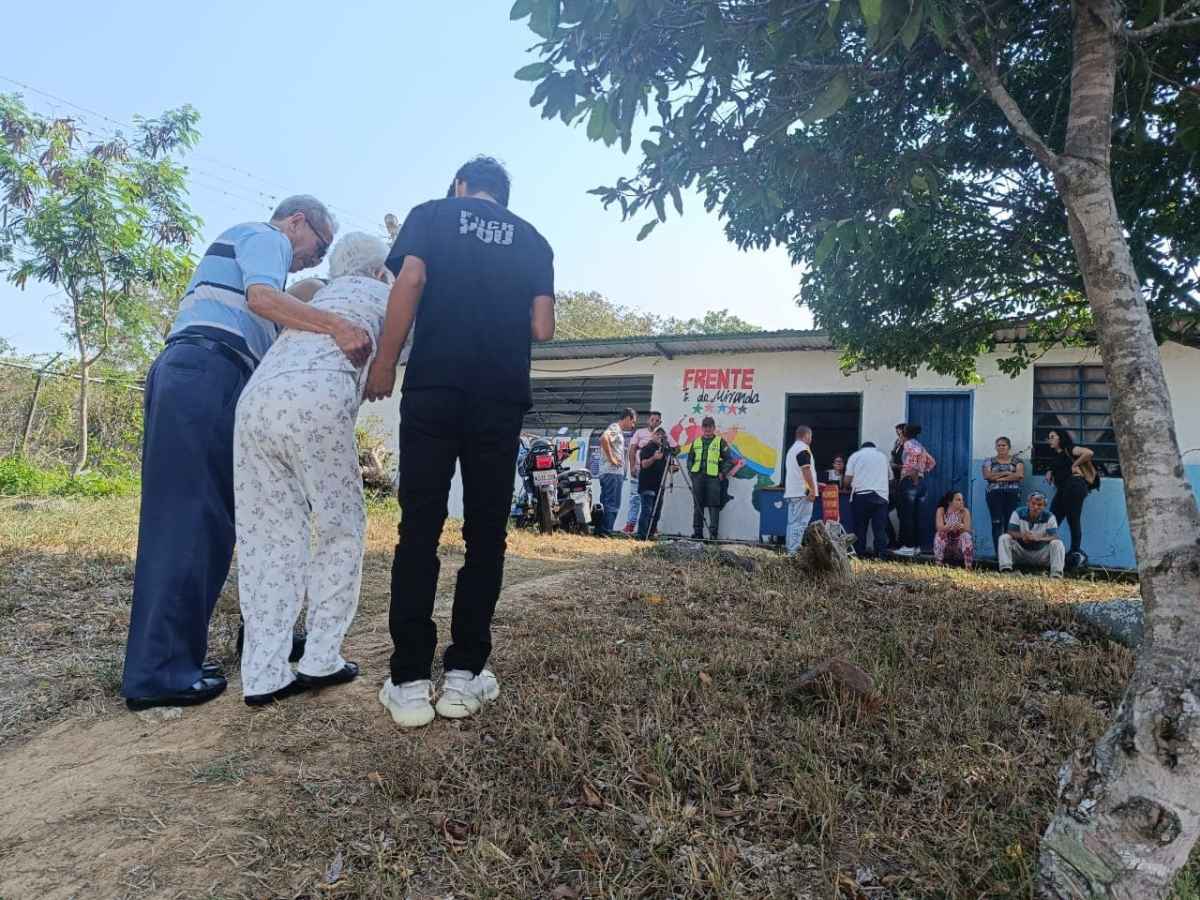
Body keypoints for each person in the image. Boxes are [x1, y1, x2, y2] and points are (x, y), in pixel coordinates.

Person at [120, 196, 373, 712]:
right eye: (316, 247)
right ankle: (160, 671)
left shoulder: (271, 265)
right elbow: (262, 298)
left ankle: (262, 641)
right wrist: (337, 325)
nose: (312, 259)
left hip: (218, 378)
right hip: (209, 372)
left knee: (255, 522)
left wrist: (322, 292)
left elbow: (281, 299)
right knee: (192, 520)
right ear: (298, 222)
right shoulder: (266, 238)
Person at [363, 157, 556, 728]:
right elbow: (542, 328)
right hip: (498, 398)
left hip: (433, 389)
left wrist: (386, 361)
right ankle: (467, 674)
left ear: (461, 187)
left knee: (418, 530)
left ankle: (409, 680)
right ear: (504, 195)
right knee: (486, 535)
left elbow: (412, 281)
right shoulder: (535, 240)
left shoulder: (431, 215)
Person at [233, 234, 393, 706]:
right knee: (340, 528)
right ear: (380, 271)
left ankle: (264, 674)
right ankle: (321, 657)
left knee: (269, 537)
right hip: (316, 402)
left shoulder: (317, 297)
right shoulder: (383, 293)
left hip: (256, 402)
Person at [689, 416, 744, 540]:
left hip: (713, 478)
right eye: (705, 426)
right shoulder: (696, 442)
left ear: (714, 428)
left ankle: (713, 535)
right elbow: (690, 459)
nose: (708, 429)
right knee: (698, 505)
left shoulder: (720, 441)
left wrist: (723, 473)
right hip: (698, 477)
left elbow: (728, 460)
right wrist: (691, 473)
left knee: (714, 506)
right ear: (702, 428)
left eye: (710, 426)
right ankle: (697, 533)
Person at [1046, 428, 1096, 561]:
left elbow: (1089, 453)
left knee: (1073, 518)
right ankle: (1046, 548)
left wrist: (1075, 465)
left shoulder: (1071, 449)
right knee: (1053, 518)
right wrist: (1050, 471)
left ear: (1060, 438)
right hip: (1063, 489)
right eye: (1049, 437)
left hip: (1075, 486)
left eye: (1052, 436)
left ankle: (1075, 551)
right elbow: (1058, 466)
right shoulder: (1056, 454)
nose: (1049, 439)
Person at [998, 491, 1066, 577]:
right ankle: (1006, 570)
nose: (1035, 507)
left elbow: (1054, 536)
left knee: (1057, 543)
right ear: (1028, 503)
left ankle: (1056, 574)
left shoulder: (1049, 517)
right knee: (1004, 538)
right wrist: (1023, 536)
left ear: (1044, 506)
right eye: (1033, 503)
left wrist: (1038, 538)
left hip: (1040, 554)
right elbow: (1010, 531)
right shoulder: (1018, 513)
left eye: (1039, 505)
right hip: (1021, 552)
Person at [894, 423, 936, 557]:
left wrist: (913, 474)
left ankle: (908, 546)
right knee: (916, 516)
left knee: (907, 515)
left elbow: (914, 457)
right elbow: (932, 462)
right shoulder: (919, 445)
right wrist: (922, 472)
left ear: (904, 433)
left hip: (909, 481)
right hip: (920, 482)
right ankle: (917, 546)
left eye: (900, 433)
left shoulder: (908, 444)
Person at [844, 441, 891, 558]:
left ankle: (860, 554)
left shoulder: (855, 456)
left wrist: (847, 485)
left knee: (860, 527)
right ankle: (881, 555)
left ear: (862, 448)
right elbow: (890, 477)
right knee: (879, 529)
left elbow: (847, 480)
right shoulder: (883, 457)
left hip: (861, 496)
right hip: (880, 497)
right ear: (874, 448)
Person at [982, 436, 1025, 554]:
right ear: (995, 447)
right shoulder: (988, 461)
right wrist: (1007, 473)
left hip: (1012, 494)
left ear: (1009, 447)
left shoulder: (1017, 461)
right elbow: (987, 476)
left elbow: (1019, 475)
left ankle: (1008, 554)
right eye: (999, 445)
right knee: (996, 523)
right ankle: (998, 554)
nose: (1001, 447)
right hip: (994, 495)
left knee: (1010, 524)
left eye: (1004, 445)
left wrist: (997, 478)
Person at [624, 410, 664, 535]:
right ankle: (630, 524)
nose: (654, 422)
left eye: (657, 421)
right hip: (639, 469)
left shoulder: (663, 434)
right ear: (648, 420)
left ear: (660, 422)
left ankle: (652, 526)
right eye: (652, 419)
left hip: (654, 473)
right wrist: (631, 467)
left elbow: (674, 448)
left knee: (653, 502)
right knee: (635, 497)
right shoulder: (640, 432)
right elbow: (632, 449)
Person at [599, 408, 636, 536]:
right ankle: (606, 532)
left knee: (607, 503)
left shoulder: (618, 430)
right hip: (612, 473)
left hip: (610, 473)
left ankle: (602, 530)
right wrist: (612, 459)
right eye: (633, 422)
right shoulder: (615, 428)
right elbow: (604, 438)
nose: (633, 426)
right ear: (628, 418)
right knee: (612, 504)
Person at [783, 424, 818, 555]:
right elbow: (806, 469)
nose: (811, 439)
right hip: (803, 492)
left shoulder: (792, 450)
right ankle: (794, 552)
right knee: (800, 523)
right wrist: (812, 489)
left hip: (793, 492)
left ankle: (790, 550)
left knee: (792, 523)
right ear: (807, 435)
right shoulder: (803, 449)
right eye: (811, 436)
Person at [636, 427, 671, 539]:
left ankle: (650, 534)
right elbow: (644, 464)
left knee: (656, 512)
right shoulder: (647, 448)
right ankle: (642, 535)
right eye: (658, 434)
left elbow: (668, 467)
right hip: (647, 484)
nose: (660, 437)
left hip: (659, 486)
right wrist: (654, 458)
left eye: (662, 435)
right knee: (647, 511)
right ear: (653, 435)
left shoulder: (665, 450)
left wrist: (673, 468)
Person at [933, 491, 975, 569]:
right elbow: (939, 528)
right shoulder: (941, 510)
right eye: (958, 500)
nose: (961, 502)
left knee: (966, 535)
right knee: (940, 534)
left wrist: (961, 527)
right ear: (950, 502)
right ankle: (938, 563)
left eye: (962, 500)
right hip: (946, 548)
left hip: (959, 549)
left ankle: (968, 566)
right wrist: (949, 526)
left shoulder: (965, 511)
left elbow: (968, 529)